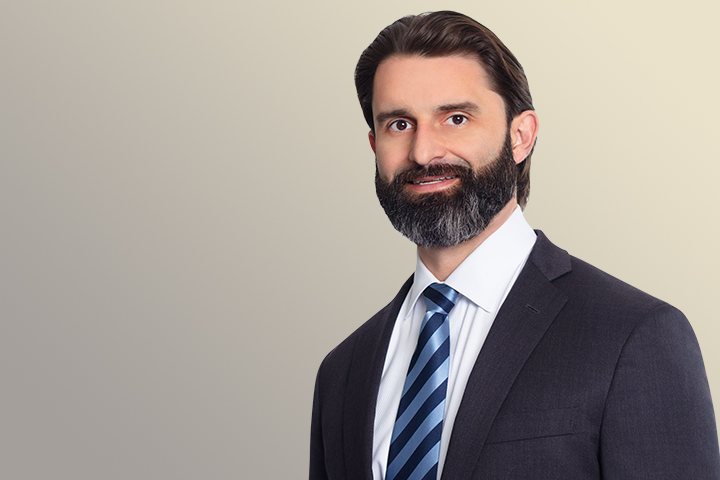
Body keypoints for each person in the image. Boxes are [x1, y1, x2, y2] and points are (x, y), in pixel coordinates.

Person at [309, 11, 720, 480]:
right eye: (399, 125)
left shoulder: (634, 337)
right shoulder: (342, 372)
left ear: (520, 136)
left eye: (456, 118)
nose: (423, 152)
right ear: (374, 144)